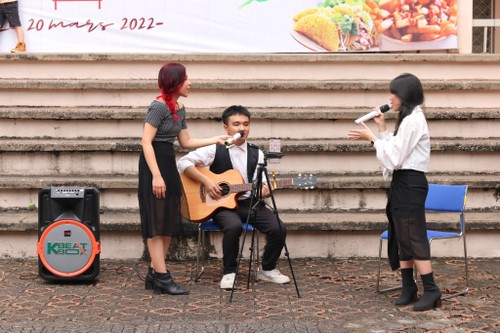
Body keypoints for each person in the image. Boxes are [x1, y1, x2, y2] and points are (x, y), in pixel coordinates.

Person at [348, 73, 441, 311]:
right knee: (400, 234)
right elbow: (397, 149)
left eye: (395, 93)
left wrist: (372, 138)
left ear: (406, 95)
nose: (391, 97)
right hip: (402, 181)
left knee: (413, 234)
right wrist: (381, 127)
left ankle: (431, 289)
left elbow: (396, 157)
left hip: (411, 181)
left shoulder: (414, 120)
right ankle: (408, 285)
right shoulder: (408, 118)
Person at [139, 63, 229, 295]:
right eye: (186, 79)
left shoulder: (180, 108)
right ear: (174, 82)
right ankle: (162, 276)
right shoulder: (158, 107)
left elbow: (186, 142)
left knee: (168, 220)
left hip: (168, 161)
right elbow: (146, 142)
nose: (190, 83)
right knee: (155, 222)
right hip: (154, 165)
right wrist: (156, 176)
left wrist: (215, 139)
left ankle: (153, 272)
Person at [177, 105, 290, 289]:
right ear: (226, 128)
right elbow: (183, 162)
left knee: (278, 228)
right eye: (236, 124)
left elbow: (261, 182)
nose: (242, 128)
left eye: (246, 124)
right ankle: (229, 272)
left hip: (249, 203)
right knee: (233, 226)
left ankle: (267, 270)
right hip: (220, 205)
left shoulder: (257, 153)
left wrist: (264, 190)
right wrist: (206, 181)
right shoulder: (216, 149)